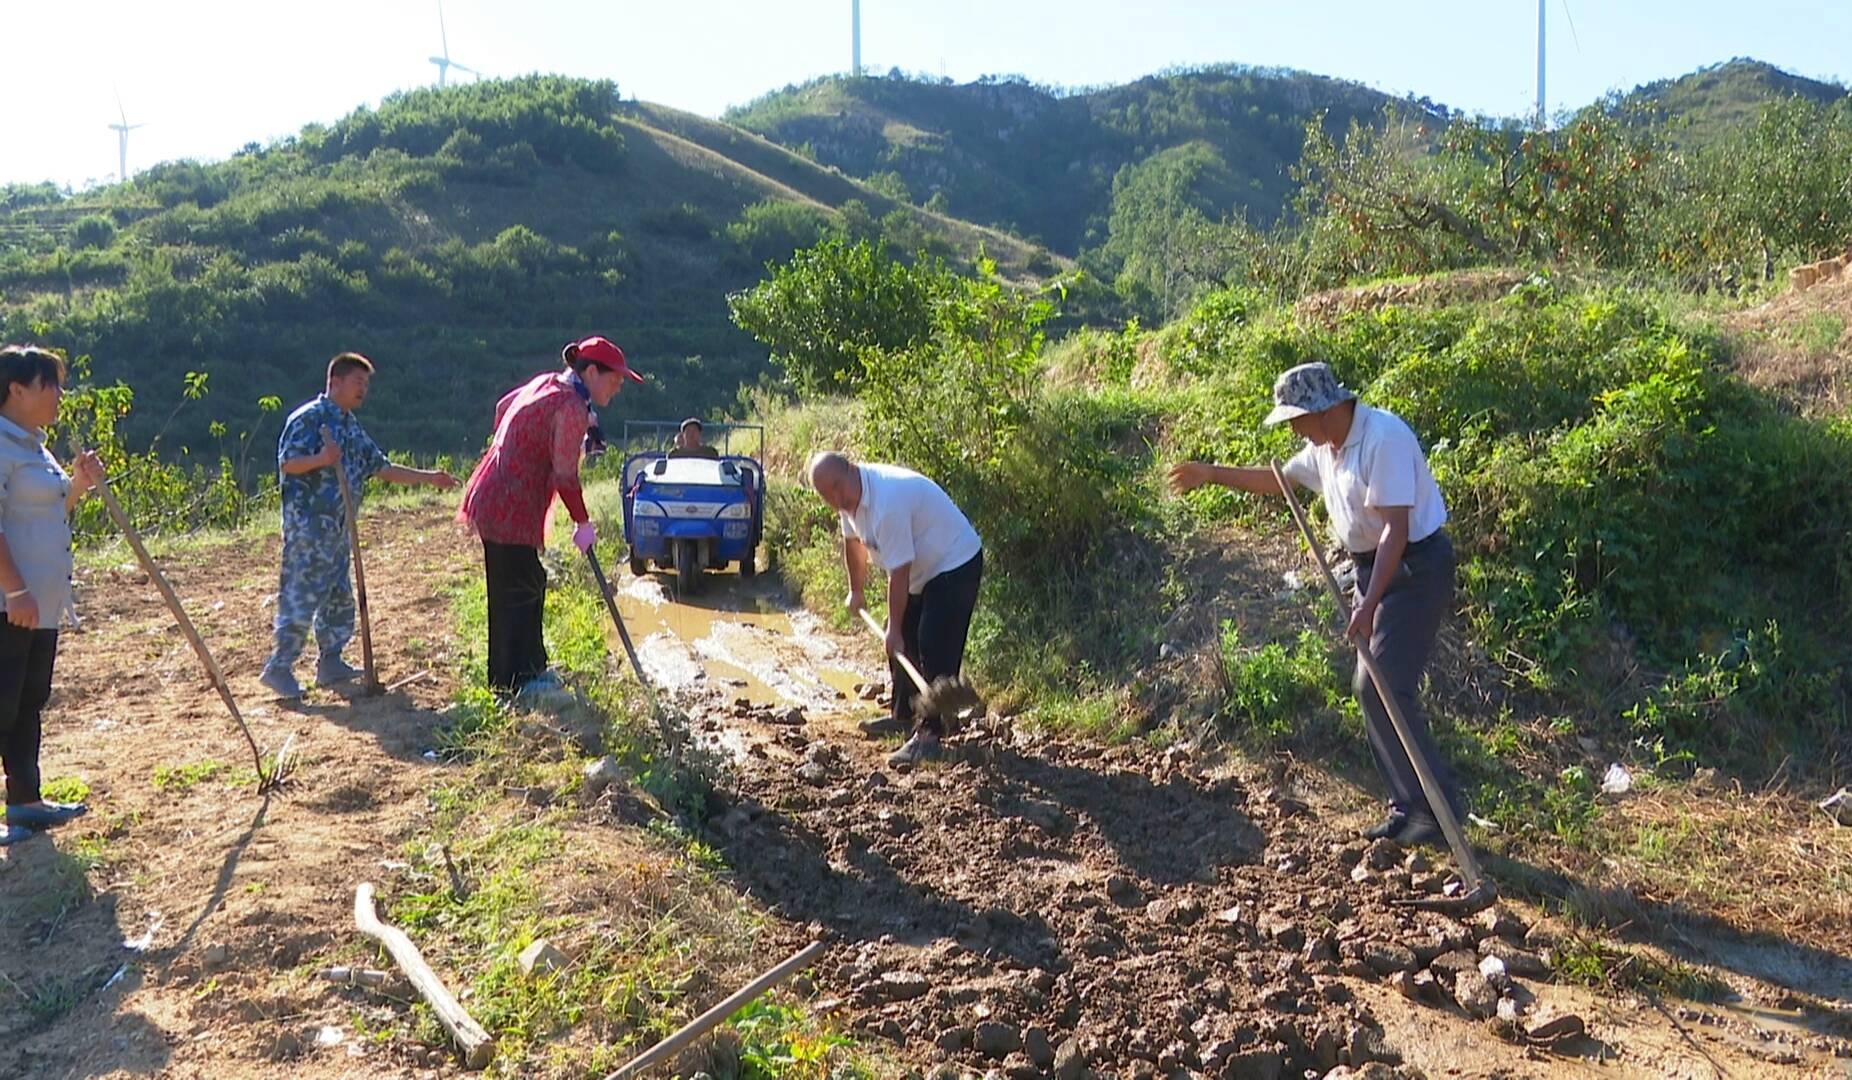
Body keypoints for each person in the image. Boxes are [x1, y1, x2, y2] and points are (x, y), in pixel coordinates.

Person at [1167, 360, 1462, 846]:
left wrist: (1368, 605)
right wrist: (1209, 473)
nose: (1294, 429)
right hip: (1378, 567)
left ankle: (1435, 808)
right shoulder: (1326, 447)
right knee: (1372, 685)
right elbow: (1278, 481)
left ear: (1322, 409)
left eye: (1295, 419)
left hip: (1416, 566)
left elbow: (1396, 529)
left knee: (1384, 681)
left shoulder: (1382, 438)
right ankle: (1408, 805)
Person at [259, 353, 458, 699]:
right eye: (357, 382)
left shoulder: (349, 426)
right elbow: (288, 463)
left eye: (366, 384)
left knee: (339, 595)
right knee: (300, 597)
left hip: (339, 529)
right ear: (334, 382)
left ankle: (331, 660)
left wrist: (429, 478)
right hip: (309, 530)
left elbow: (381, 467)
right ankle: (279, 668)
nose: (363, 389)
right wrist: (322, 459)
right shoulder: (309, 419)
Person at [458, 336, 642, 696]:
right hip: (511, 502)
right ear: (591, 372)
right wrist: (582, 521)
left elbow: (502, 407)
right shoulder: (572, 406)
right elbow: (564, 474)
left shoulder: (548, 383)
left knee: (525, 581)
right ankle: (516, 681)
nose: (618, 387)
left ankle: (527, 671)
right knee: (519, 586)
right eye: (614, 379)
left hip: (498, 493)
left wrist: (516, 446)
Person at [805, 452, 983, 767]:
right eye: (826, 495)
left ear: (851, 469)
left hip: (955, 562)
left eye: (836, 488)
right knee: (902, 640)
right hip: (922, 571)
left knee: (930, 638)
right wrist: (855, 591)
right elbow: (854, 545)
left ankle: (930, 735)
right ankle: (903, 716)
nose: (835, 499)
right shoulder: (848, 500)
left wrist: (894, 630)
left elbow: (898, 572)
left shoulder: (887, 502)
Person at [0, 345, 105, 844]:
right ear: (16, 390)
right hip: (10, 603)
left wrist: (79, 483)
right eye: (49, 384)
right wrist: (14, 589)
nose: (58, 395)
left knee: (26, 701)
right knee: (2, 703)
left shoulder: (34, 446)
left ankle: (25, 802)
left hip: (40, 605)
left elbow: (51, 513)